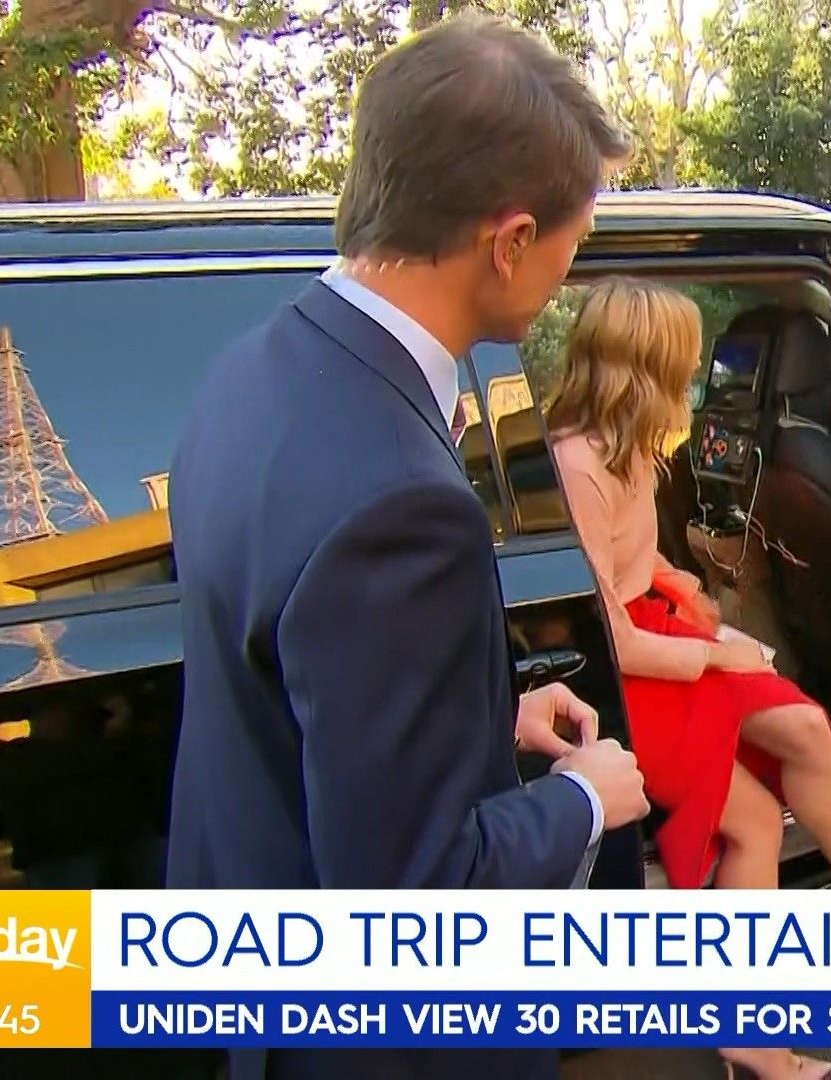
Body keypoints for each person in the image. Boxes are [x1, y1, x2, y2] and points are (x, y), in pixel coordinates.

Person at [164, 15, 647, 1080]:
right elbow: (415, 902)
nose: (568, 268)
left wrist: (485, 717)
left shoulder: (249, 373)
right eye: (572, 240)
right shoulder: (400, 504)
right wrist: (583, 799)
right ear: (509, 241)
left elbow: (298, 691)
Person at [547, 277, 831, 1080]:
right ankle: (749, 1032)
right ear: (644, 368)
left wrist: (683, 584)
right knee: (755, 819)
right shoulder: (576, 464)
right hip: (630, 678)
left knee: (805, 726)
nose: (697, 378)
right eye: (685, 364)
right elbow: (609, 635)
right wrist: (714, 653)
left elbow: (632, 560)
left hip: (661, 633)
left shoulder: (628, 445)